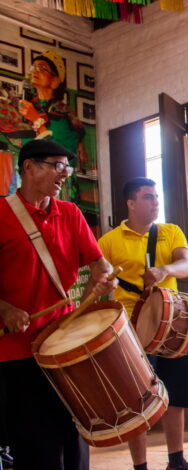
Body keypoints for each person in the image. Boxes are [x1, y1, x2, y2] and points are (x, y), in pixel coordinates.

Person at [0, 139, 116, 470]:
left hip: (65, 345)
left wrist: (103, 278)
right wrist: (5, 309)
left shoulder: (70, 213)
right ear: (29, 167)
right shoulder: (2, 214)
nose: (65, 174)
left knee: (75, 437)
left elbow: (100, 265)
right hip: (17, 351)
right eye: (58, 165)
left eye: (68, 167)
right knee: (36, 444)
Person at [97, 177, 188, 470]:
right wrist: (105, 284)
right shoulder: (109, 241)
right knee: (137, 401)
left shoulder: (170, 231)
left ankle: (176, 460)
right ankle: (140, 466)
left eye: (156, 196)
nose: (155, 202)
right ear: (131, 203)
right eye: (148, 197)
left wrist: (164, 270)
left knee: (175, 394)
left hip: (173, 324)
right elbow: (100, 279)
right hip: (131, 330)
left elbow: (186, 265)